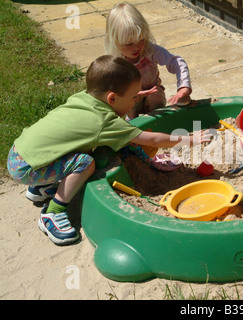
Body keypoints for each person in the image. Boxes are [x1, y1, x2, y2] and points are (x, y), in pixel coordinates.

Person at [7, 55, 211, 246]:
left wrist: (134, 94)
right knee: (85, 163)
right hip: (29, 169)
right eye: (133, 97)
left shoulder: (84, 98)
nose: (135, 101)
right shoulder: (105, 122)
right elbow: (152, 138)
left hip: (20, 153)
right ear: (112, 99)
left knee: (77, 149)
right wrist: (189, 139)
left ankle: (42, 187)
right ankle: (53, 212)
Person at [105, 2, 193, 119]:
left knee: (155, 95)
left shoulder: (150, 50)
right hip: (132, 98)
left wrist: (183, 86)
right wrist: (130, 96)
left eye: (141, 40)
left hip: (153, 94)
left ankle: (159, 122)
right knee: (130, 101)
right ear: (115, 41)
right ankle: (134, 124)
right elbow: (108, 90)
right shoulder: (115, 62)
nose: (137, 47)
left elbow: (176, 62)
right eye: (129, 44)